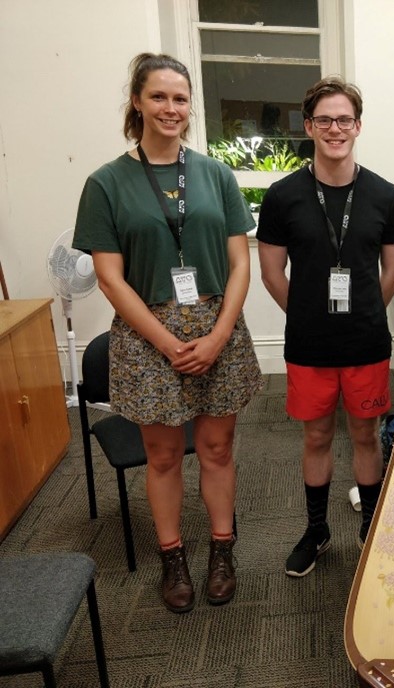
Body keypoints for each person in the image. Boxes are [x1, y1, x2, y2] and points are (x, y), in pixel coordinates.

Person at [73, 53, 263, 613]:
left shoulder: (215, 174)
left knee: (217, 447)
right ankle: (173, 556)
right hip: (146, 335)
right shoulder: (106, 183)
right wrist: (167, 342)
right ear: (137, 102)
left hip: (216, 326)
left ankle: (221, 550)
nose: (171, 108)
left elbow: (239, 263)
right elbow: (109, 277)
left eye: (180, 99)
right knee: (160, 456)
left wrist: (217, 336)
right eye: (158, 97)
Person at [257, 77, 394, 578]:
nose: (335, 128)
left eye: (345, 119)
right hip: (309, 346)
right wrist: (305, 314)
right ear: (309, 127)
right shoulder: (283, 196)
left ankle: (369, 528)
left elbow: (392, 271)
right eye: (325, 120)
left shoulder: (386, 196)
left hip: (366, 343)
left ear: (358, 126)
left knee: (365, 435)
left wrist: (365, 310)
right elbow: (272, 274)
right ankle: (317, 530)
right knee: (317, 436)